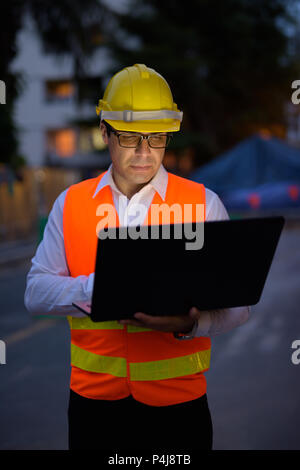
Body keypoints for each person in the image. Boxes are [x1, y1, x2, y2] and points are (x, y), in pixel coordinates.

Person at [24, 63, 250, 452]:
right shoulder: (71, 203)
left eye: (157, 138)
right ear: (104, 133)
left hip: (179, 410)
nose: (145, 153)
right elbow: (35, 292)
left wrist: (188, 324)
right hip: (94, 409)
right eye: (129, 137)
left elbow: (239, 306)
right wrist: (105, 288)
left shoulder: (202, 204)